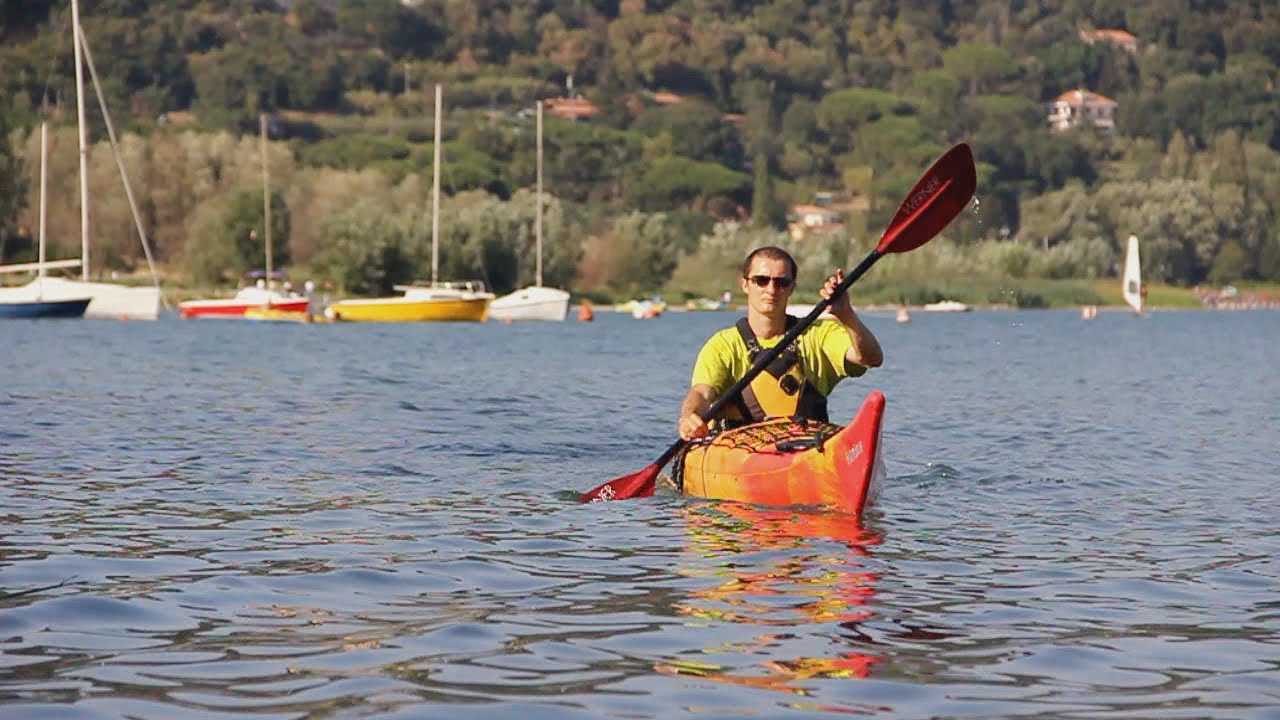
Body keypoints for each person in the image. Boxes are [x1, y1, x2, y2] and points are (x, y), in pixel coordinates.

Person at [678, 246, 883, 441]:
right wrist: (690, 416)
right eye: (761, 280)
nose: (772, 289)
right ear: (745, 285)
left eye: (781, 282)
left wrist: (847, 315)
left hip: (806, 450)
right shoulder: (723, 345)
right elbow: (702, 393)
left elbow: (871, 358)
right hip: (737, 453)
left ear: (792, 287)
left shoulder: (818, 334)